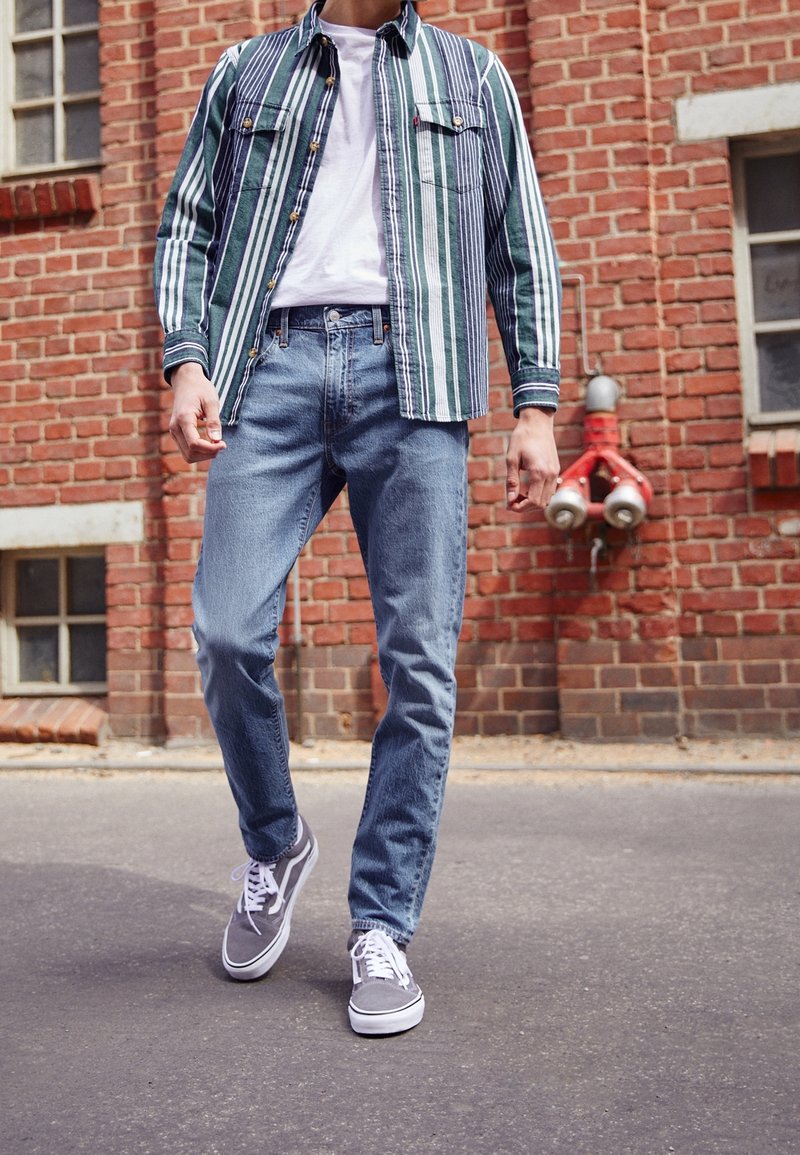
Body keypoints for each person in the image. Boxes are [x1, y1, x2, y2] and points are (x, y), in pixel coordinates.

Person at [154, 0, 561, 1036]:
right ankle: (275, 842)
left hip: (414, 374)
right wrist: (187, 359)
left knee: (417, 660)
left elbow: (519, 242)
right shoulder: (246, 72)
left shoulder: (471, 78)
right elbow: (189, 222)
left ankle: (381, 924)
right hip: (268, 367)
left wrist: (536, 405)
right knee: (226, 630)